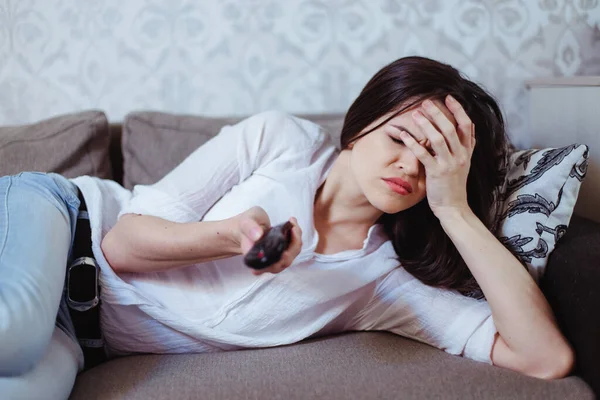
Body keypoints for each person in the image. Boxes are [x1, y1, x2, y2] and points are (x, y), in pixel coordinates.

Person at [0, 56, 575, 399]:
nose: (408, 166)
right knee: (13, 331)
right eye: (400, 139)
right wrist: (233, 235)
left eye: (433, 161)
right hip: (59, 220)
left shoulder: (383, 286)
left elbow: (544, 359)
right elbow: (121, 245)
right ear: (362, 123)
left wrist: (454, 208)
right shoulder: (280, 140)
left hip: (80, 340)